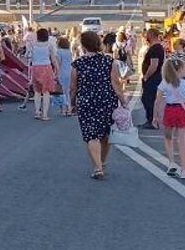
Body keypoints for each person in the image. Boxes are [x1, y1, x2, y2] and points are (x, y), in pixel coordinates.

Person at [69, 31, 125, 180]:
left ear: (83, 45)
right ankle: (102, 162)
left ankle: (98, 167)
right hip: (107, 101)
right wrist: (123, 100)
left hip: (86, 102)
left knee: (91, 135)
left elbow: (73, 87)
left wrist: (72, 103)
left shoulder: (78, 64)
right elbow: (115, 83)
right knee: (105, 135)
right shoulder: (109, 61)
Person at [153, 56, 185, 179]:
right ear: (180, 70)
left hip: (169, 110)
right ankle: (184, 170)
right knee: (182, 141)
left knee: (168, 138)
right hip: (182, 111)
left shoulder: (164, 83)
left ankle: (171, 163)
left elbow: (157, 101)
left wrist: (155, 116)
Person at [29, 28, 58, 121]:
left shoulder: (33, 45)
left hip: (35, 68)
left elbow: (30, 57)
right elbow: (53, 59)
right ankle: (45, 114)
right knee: (46, 92)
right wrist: (57, 69)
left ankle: (37, 112)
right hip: (46, 67)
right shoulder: (49, 45)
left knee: (37, 91)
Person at [139, 28, 165, 130]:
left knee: (148, 99)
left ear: (152, 35)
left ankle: (152, 121)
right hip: (153, 77)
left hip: (153, 78)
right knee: (147, 98)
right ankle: (151, 119)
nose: (146, 37)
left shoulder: (155, 48)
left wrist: (146, 76)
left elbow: (154, 65)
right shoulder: (156, 47)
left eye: (147, 35)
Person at [53, 36, 74, 117]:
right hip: (70, 71)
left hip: (62, 72)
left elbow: (58, 64)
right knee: (68, 91)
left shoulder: (59, 52)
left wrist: (56, 74)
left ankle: (65, 109)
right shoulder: (69, 52)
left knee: (63, 92)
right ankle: (69, 108)